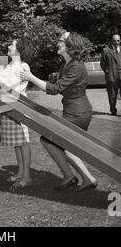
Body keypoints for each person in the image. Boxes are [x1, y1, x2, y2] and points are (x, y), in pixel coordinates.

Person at [20, 31, 98, 191]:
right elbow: (61, 82)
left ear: (70, 45)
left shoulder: (75, 66)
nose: (58, 42)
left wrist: (32, 78)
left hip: (78, 113)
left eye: (61, 40)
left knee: (62, 143)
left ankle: (87, 178)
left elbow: (55, 89)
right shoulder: (67, 64)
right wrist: (55, 76)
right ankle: (70, 176)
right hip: (73, 110)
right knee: (50, 140)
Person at [0, 39, 32, 188]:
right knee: (17, 143)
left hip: (18, 107)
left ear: (19, 50)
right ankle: (20, 172)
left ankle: (27, 176)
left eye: (12, 45)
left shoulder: (23, 66)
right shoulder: (8, 65)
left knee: (23, 142)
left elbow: (16, 87)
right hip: (8, 105)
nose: (9, 46)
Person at [100, 34, 121, 116]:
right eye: (115, 40)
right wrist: (107, 71)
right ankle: (113, 110)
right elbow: (102, 63)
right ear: (111, 41)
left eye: (118, 40)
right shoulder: (106, 50)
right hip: (112, 75)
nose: (116, 42)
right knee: (112, 96)